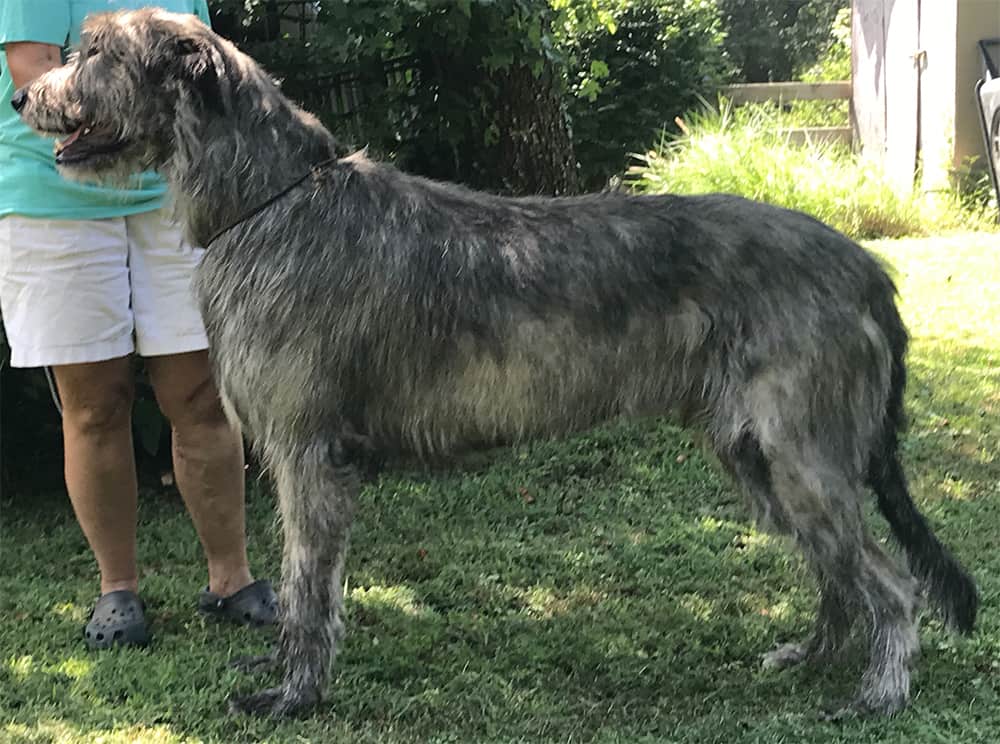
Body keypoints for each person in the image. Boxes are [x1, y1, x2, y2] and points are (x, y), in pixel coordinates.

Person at [0, 0, 277, 648]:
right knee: (95, 406)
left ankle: (231, 579)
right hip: (54, 202)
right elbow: (34, 79)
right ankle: (116, 589)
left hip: (174, 195)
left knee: (202, 395)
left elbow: (203, 76)